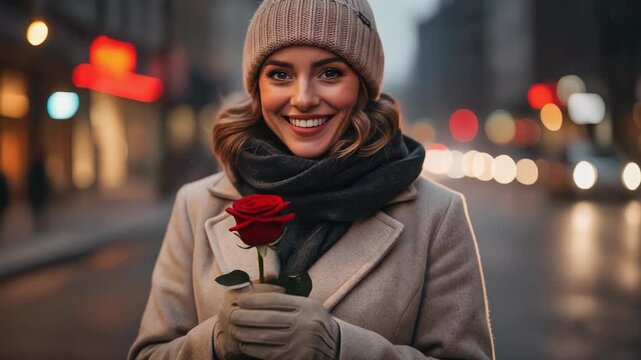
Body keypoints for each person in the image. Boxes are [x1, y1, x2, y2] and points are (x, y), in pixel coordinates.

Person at [129, 0, 495, 359]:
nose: (303, 98)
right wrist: (215, 343)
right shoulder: (195, 205)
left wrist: (339, 348)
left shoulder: (437, 216)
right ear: (258, 87)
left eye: (330, 73)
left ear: (363, 86)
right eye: (280, 75)